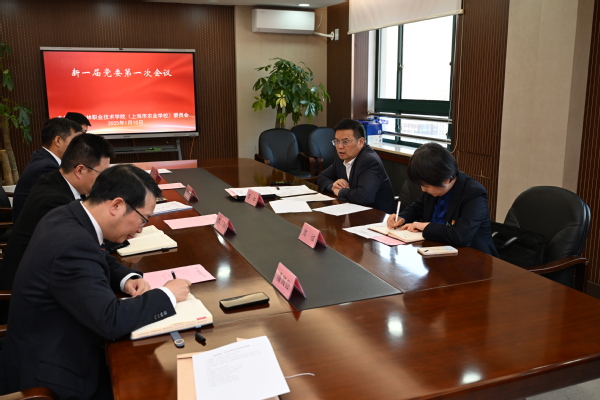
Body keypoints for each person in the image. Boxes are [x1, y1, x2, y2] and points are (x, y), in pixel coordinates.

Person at [1, 164, 192, 400]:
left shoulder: (69, 214)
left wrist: (127, 278)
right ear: (116, 205)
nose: (140, 230)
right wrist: (167, 295)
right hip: (56, 377)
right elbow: (110, 320)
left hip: (49, 345)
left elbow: (98, 255)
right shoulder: (72, 245)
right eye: (143, 219)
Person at [0, 134, 115, 292]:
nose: (104, 181)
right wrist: (119, 231)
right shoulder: (54, 200)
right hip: (29, 290)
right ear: (80, 170)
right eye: (102, 175)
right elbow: (86, 246)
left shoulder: (61, 182)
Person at [387, 142, 498, 256]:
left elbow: (461, 236)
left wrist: (426, 226)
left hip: (472, 258)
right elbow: (417, 208)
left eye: (426, 185)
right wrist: (402, 217)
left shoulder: (474, 193)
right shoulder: (434, 188)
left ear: (446, 179)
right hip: (434, 251)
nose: (423, 189)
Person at [317, 118, 395, 213]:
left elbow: (364, 197)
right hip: (352, 210)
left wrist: (340, 191)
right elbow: (322, 177)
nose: (340, 147)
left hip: (377, 215)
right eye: (337, 141)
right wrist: (332, 186)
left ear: (361, 142)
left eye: (345, 142)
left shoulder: (369, 161)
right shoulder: (342, 157)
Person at [12, 117, 82, 221]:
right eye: (75, 141)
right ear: (58, 140)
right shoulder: (47, 168)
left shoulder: (42, 158)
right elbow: (64, 203)